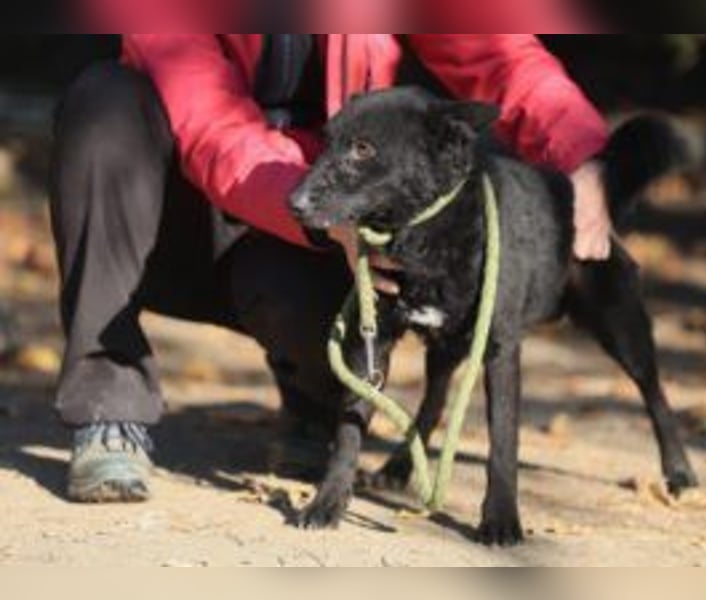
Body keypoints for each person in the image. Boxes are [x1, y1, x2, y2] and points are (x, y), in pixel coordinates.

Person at [50, 34, 611, 502]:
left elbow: (495, 50)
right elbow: (213, 131)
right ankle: (108, 406)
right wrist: (321, 213)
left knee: (319, 303)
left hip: (316, 232)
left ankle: (315, 401)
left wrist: (582, 156)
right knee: (106, 101)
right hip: (185, 225)